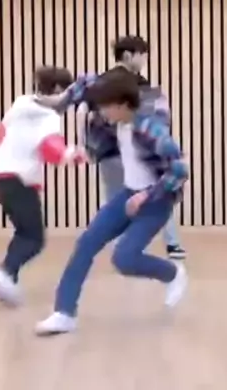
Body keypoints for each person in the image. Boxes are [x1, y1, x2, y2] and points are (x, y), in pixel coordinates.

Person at [35, 67, 189, 335]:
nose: (101, 112)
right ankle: (64, 313)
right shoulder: (115, 120)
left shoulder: (151, 130)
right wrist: (60, 101)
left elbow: (180, 170)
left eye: (106, 107)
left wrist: (147, 194)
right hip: (129, 194)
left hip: (156, 201)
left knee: (124, 259)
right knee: (86, 244)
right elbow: (88, 81)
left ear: (123, 105)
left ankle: (173, 273)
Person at [38, 36, 186, 260]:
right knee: (157, 193)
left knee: (115, 200)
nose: (144, 60)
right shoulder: (140, 85)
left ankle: (120, 245)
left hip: (108, 152)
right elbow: (159, 121)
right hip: (137, 151)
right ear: (128, 55)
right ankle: (171, 245)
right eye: (142, 55)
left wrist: (37, 101)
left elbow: (64, 103)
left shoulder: (97, 82)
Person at [0, 66, 85, 306]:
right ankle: (5, 271)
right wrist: (75, 155)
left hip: (1, 178)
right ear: (58, 89)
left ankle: (8, 280)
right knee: (34, 239)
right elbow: (52, 151)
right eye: (67, 92)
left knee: (23, 232)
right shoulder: (49, 117)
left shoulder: (20, 103)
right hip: (21, 182)